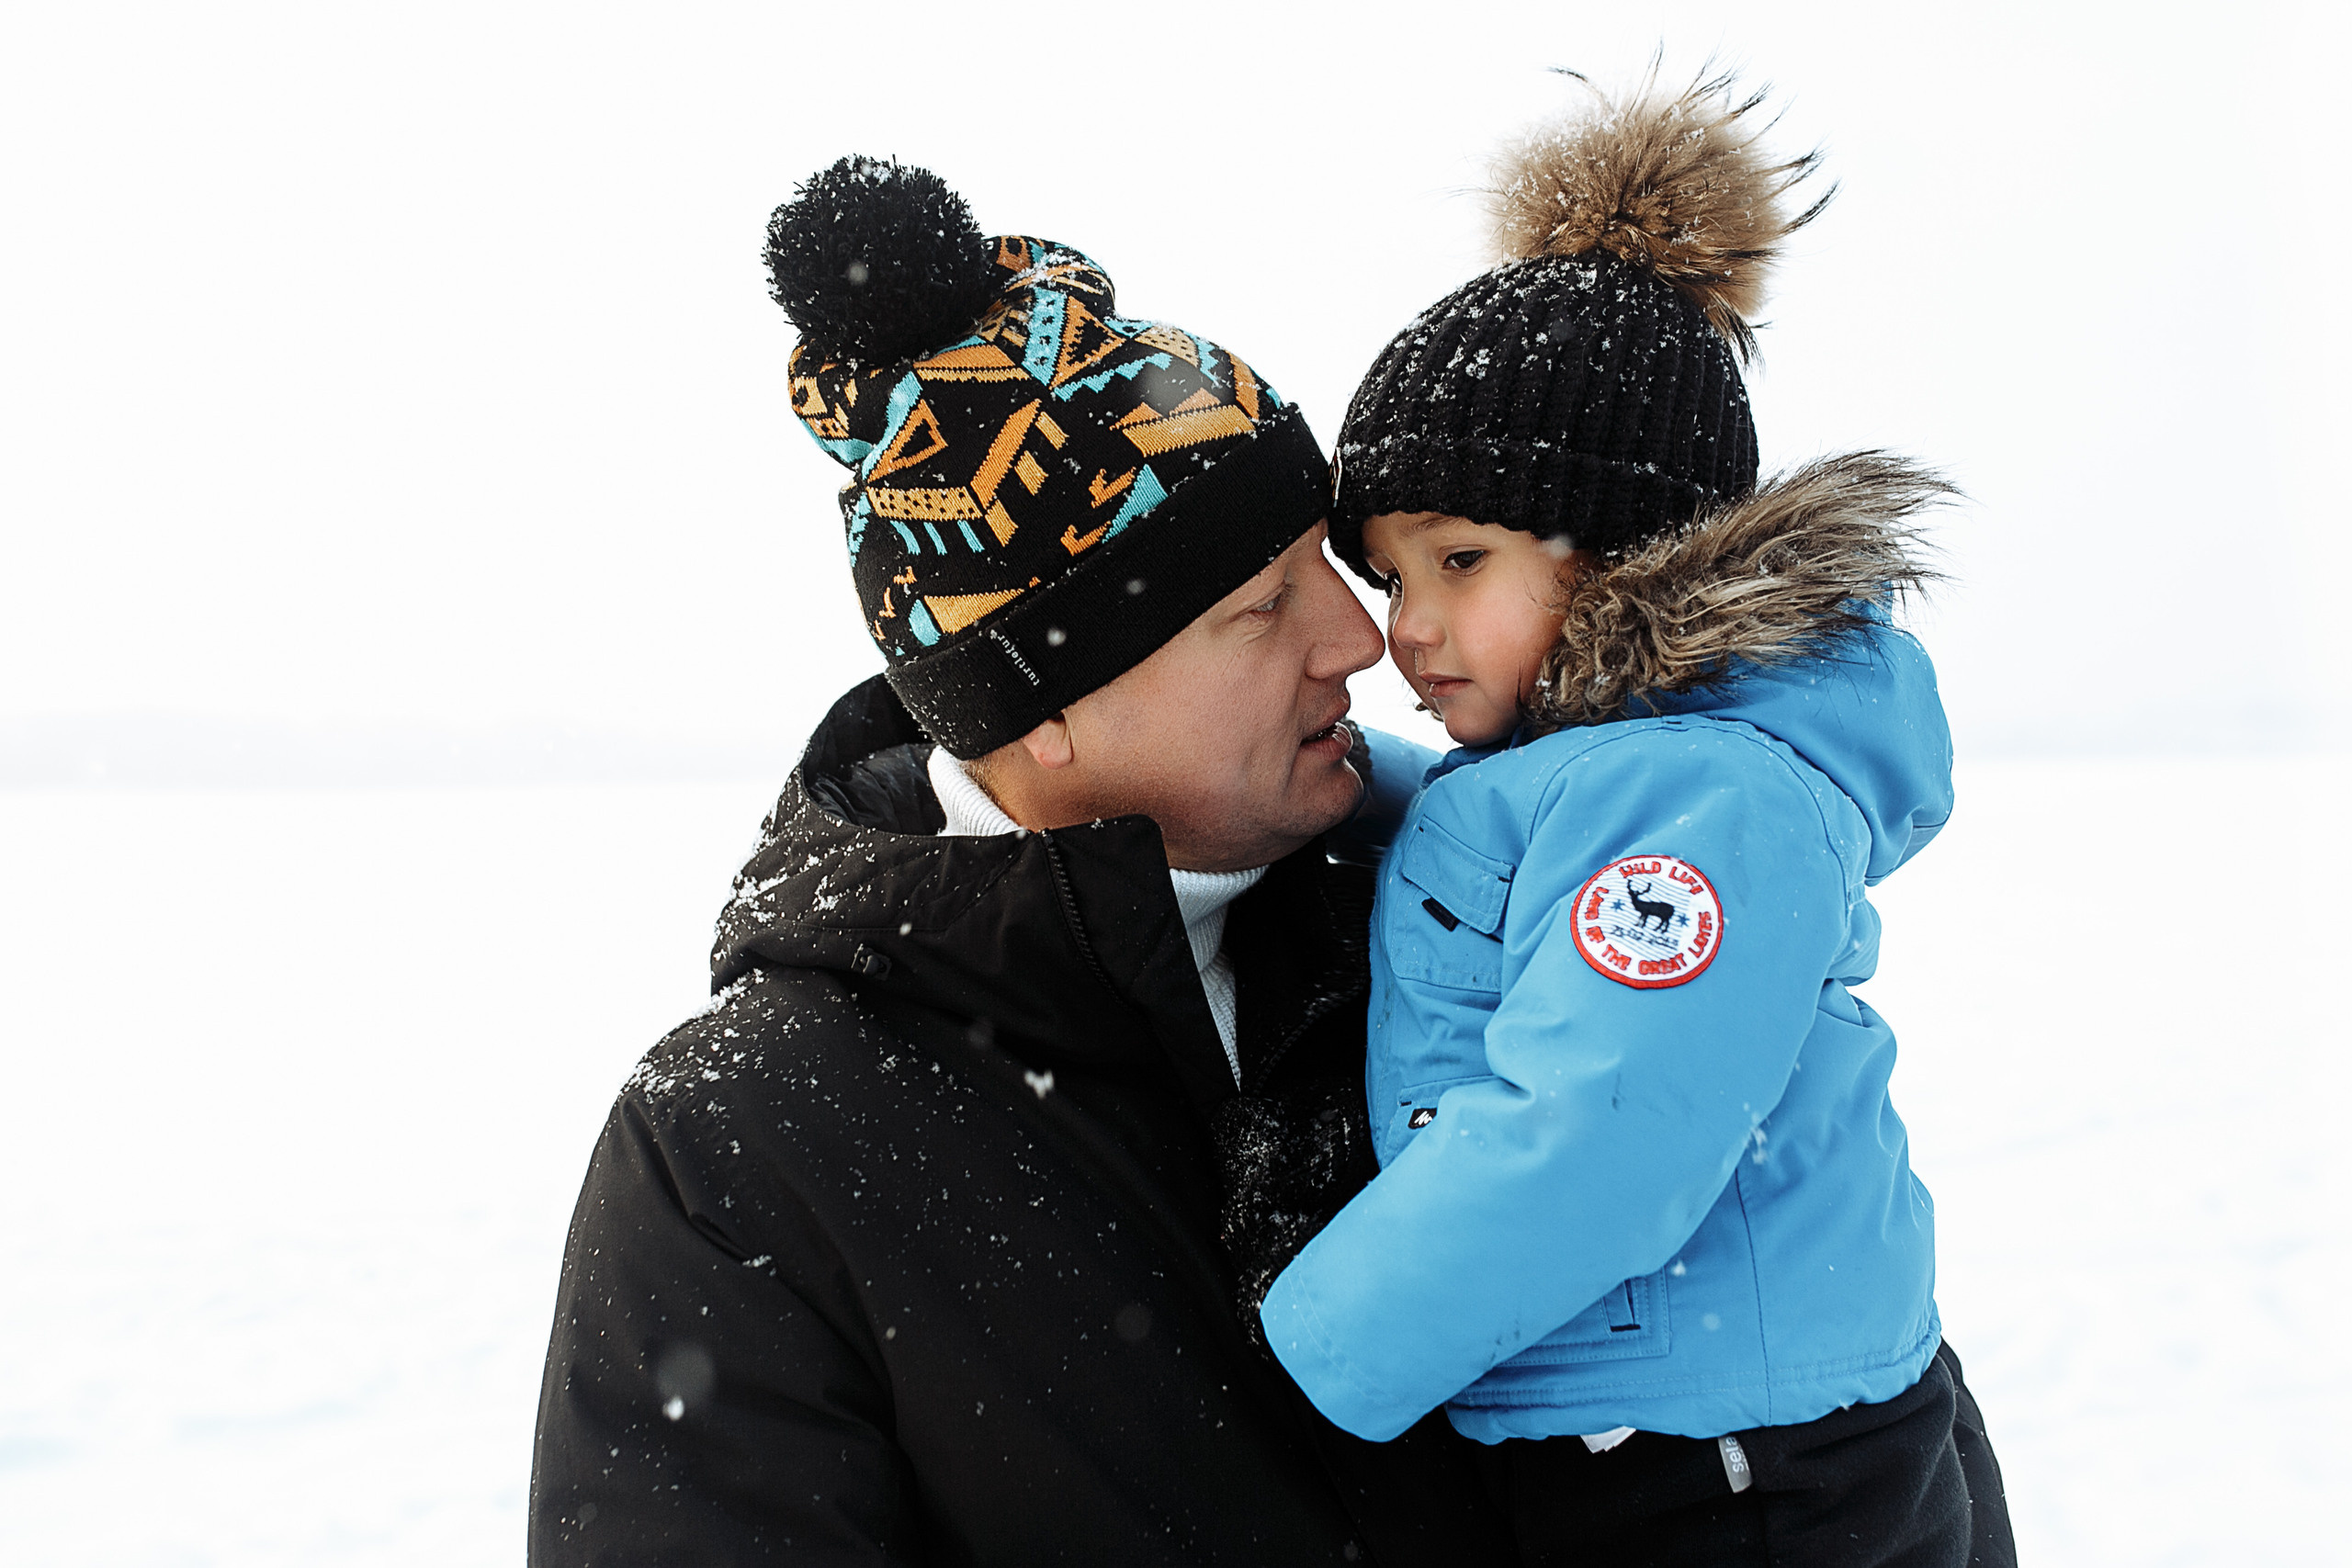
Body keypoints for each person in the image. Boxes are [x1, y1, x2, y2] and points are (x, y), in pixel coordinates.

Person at [527, 156, 1501, 1565]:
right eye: (1262, 603)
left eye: (1330, 569)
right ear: (1037, 707)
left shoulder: (1457, 910)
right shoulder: (741, 1149)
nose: (1359, 641)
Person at [1254, 73, 2017, 1565]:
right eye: (1395, 577)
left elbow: (1594, 1139)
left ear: (1622, 552)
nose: (1409, 627)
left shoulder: (1698, 801)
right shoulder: (1621, 773)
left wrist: (1309, 1359)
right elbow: (1510, 848)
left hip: (1729, 1468)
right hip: (1688, 1420)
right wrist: (1322, 791)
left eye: (1459, 560)